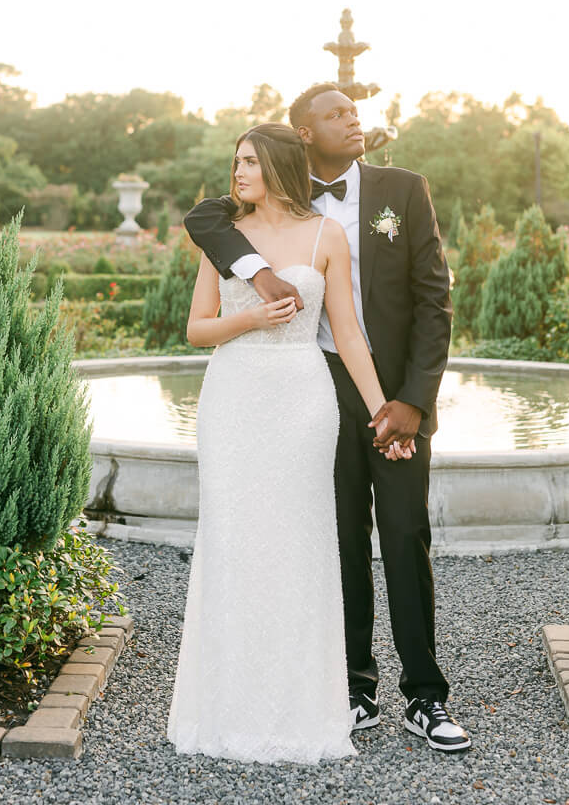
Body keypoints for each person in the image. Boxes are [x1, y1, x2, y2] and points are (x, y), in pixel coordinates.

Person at [184, 84, 471, 753]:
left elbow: (435, 301)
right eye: (337, 114)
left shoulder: (401, 191)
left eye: (353, 110)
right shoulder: (244, 209)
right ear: (303, 135)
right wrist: (258, 277)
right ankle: (349, 689)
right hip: (304, 389)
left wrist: (410, 402)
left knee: (404, 534)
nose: (354, 119)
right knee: (330, 538)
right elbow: (203, 222)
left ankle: (425, 697)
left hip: (387, 384)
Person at [167, 122, 410, 764]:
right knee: (234, 541)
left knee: (301, 543)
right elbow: (195, 329)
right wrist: (249, 317)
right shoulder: (222, 234)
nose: (237, 172)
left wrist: (381, 407)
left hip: (303, 402)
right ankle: (227, 708)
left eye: (248, 161)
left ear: (276, 166)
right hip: (234, 400)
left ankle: (304, 708)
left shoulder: (327, 235)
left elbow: (349, 335)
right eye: (235, 161)